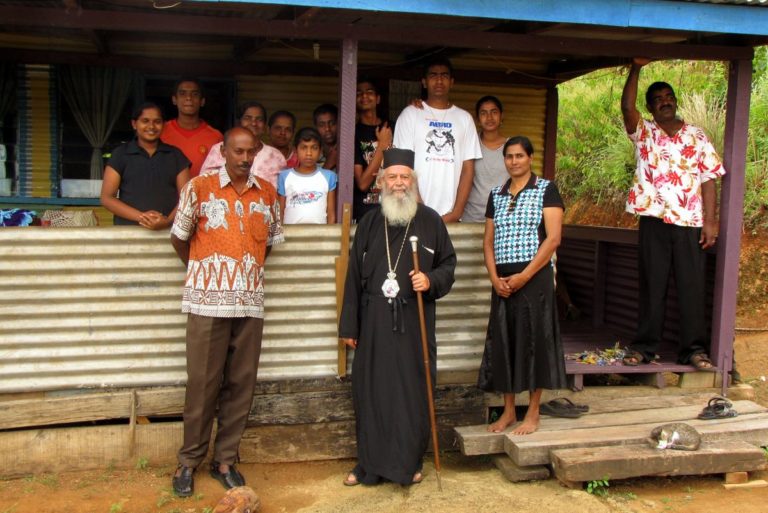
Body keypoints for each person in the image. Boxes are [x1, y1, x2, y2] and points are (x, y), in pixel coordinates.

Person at [169, 127, 284, 497]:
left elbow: (271, 243)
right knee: (202, 383)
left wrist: (243, 271)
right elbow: (178, 237)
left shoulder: (266, 192)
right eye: (238, 151)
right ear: (223, 150)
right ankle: (188, 462)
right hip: (206, 302)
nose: (244, 158)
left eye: (250, 152)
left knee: (241, 383)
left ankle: (225, 460)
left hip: (250, 302)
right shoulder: (199, 188)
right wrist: (206, 270)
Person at [339, 148, 456, 486]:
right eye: (393, 176)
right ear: (381, 182)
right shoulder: (370, 223)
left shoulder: (431, 221)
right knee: (371, 392)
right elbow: (353, 275)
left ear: (413, 181)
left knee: (411, 392)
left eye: (405, 177)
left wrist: (430, 280)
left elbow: (448, 265)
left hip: (414, 321)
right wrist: (350, 325)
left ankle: (408, 464)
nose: (399, 183)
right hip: (373, 320)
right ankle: (368, 466)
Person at [620, 57, 725, 371]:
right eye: (657, 100)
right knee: (653, 284)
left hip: (689, 222)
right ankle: (644, 348)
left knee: (691, 287)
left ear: (675, 101)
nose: (665, 103)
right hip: (653, 219)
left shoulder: (697, 136)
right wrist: (636, 68)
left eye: (669, 98)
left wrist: (710, 220)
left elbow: (709, 177)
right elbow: (626, 108)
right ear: (650, 108)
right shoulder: (645, 132)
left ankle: (694, 351)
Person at [477, 136, 567, 435]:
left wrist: (525, 276)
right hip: (503, 280)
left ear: (530, 158)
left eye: (519, 156)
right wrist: (494, 278)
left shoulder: (546, 189)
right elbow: (488, 242)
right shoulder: (496, 194)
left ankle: (533, 412)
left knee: (533, 343)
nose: (514, 161)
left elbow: (552, 239)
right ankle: (508, 412)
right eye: (509, 157)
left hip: (534, 278)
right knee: (505, 342)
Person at [393, 56, 481, 222]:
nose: (439, 80)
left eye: (444, 75)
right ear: (424, 82)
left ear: (452, 82)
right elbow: (402, 165)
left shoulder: (464, 119)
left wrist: (457, 212)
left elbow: (468, 170)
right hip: (413, 212)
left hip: (451, 217)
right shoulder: (410, 114)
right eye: (433, 75)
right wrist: (419, 207)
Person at [100, 102, 190, 228]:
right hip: (127, 234)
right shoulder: (120, 154)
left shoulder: (176, 155)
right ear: (134, 124)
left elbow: (188, 197)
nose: (151, 126)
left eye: (157, 121)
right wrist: (143, 217)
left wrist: (168, 221)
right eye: (145, 121)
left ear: (163, 125)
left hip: (168, 232)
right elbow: (107, 198)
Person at [200, 101, 287, 188]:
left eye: (259, 119)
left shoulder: (276, 156)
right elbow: (204, 183)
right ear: (239, 122)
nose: (253, 123)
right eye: (248, 118)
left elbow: (282, 192)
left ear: (264, 126)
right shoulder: (220, 149)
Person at [161, 78, 223, 178]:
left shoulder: (216, 136)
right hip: (166, 193)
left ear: (202, 101)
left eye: (194, 94)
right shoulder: (161, 132)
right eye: (182, 93)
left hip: (203, 193)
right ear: (174, 99)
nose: (188, 98)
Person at [462, 95, 509, 223]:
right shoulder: (469, 144)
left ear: (501, 116)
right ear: (477, 119)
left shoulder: (512, 148)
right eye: (484, 113)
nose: (489, 117)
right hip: (471, 218)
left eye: (494, 112)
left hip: (501, 219)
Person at [277, 127, 337, 224]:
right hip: (290, 236)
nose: (309, 153)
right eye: (304, 147)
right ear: (295, 150)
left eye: (314, 148)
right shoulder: (285, 176)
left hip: (321, 236)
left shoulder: (329, 177)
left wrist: (329, 237)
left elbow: (331, 214)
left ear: (320, 151)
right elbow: (280, 212)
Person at [353, 77, 392, 222]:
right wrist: (382, 145)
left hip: (394, 208)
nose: (364, 96)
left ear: (378, 99)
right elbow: (362, 184)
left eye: (369, 92)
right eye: (358, 93)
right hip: (366, 212)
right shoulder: (353, 134)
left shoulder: (392, 127)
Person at [313, 103, 339, 171]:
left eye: (332, 123)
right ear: (316, 127)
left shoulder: (348, 150)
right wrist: (329, 164)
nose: (327, 129)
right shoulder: (311, 153)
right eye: (321, 125)